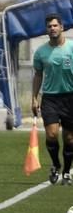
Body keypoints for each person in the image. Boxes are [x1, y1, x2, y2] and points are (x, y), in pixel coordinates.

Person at [32, 12, 73, 185]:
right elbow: (38, 75)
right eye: (49, 26)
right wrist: (34, 98)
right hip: (50, 98)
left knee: (70, 138)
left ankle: (66, 171)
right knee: (52, 134)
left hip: (70, 97)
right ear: (46, 30)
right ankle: (56, 164)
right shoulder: (41, 52)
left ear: (62, 27)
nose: (52, 28)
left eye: (55, 25)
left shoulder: (71, 47)